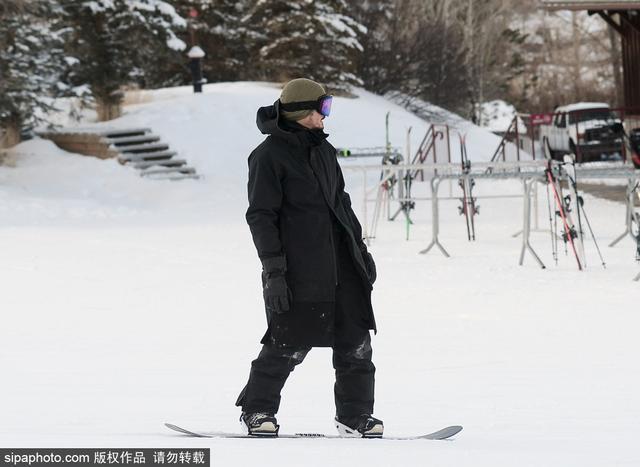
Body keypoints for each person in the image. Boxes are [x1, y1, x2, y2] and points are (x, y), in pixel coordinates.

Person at [235, 78, 382, 438]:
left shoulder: (324, 151)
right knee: (288, 343)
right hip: (298, 269)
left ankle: (355, 416)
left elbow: (342, 205)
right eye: (324, 107)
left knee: (356, 344)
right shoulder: (268, 156)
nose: (325, 115)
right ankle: (258, 410)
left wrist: (360, 251)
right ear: (304, 111)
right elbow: (261, 216)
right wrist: (274, 270)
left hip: (341, 264)